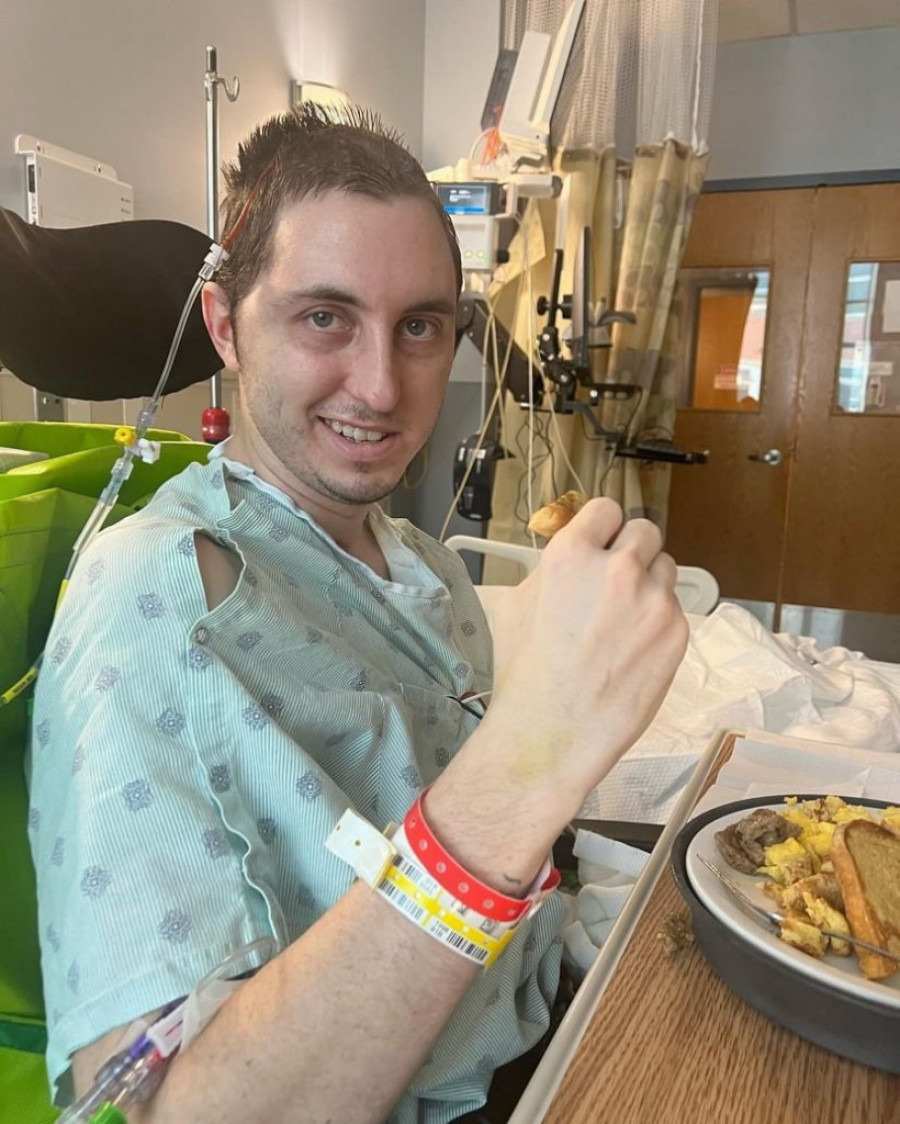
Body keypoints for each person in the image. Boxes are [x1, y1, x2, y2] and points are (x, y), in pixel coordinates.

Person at [26, 104, 688, 1124]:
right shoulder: (157, 598)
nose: (381, 388)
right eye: (324, 318)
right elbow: (173, 1108)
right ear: (224, 326)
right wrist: (531, 760)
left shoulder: (424, 563)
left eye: (419, 326)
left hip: (554, 1015)